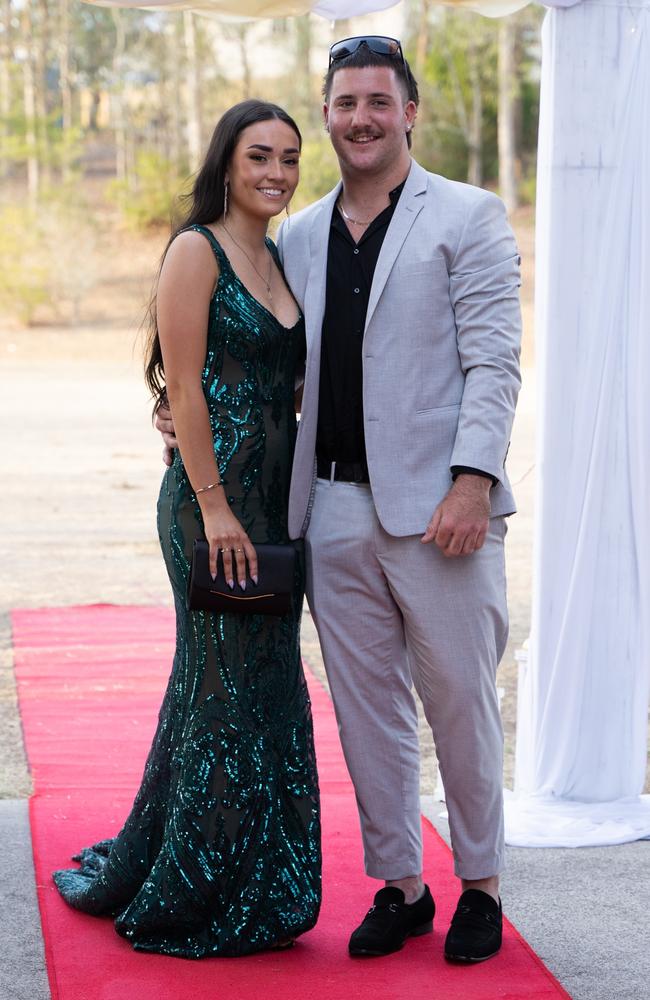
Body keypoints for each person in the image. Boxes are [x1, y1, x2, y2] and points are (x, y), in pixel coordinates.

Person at [159, 37, 522, 964]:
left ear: (410, 111)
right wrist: (183, 408)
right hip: (326, 509)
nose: (360, 117)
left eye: (378, 101)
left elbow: (495, 362)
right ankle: (401, 885)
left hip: (444, 511)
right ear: (328, 115)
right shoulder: (304, 231)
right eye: (345, 103)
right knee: (367, 711)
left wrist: (473, 482)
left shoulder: (471, 216)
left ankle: (479, 884)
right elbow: (265, 352)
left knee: (460, 703)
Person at [53, 100, 321, 957]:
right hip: (214, 511)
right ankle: (193, 886)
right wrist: (213, 508)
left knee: (258, 687)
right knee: (224, 691)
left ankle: (258, 873)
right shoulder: (194, 250)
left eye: (287, 157)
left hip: (275, 513)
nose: (274, 173)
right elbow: (188, 385)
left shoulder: (275, 255)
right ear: (226, 161)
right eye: (258, 157)